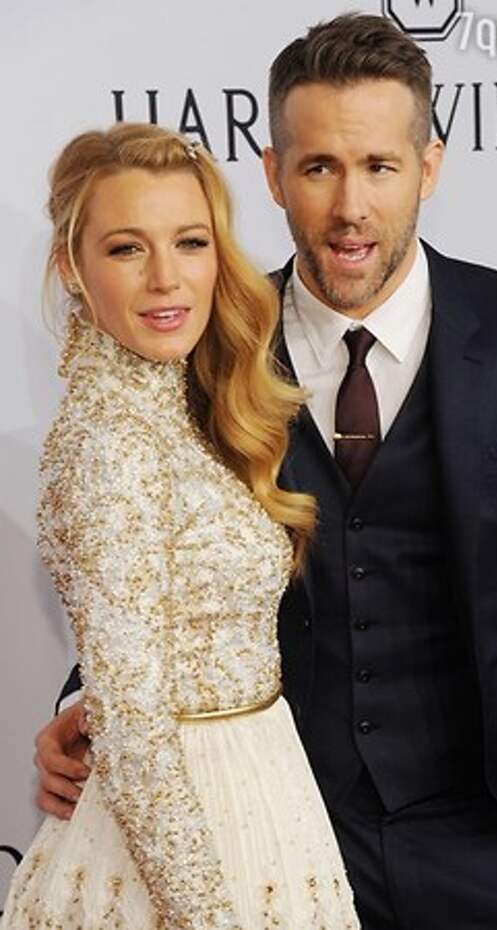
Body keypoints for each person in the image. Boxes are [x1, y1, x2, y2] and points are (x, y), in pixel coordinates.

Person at [33, 13, 497, 930]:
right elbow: (146, 562)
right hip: (282, 837)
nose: (351, 208)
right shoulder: (200, 345)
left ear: (428, 167)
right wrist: (88, 706)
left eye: (380, 166)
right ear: (273, 174)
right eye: (318, 168)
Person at [2, 122, 359, 930]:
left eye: (191, 242)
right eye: (127, 248)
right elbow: (133, 731)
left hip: (261, 793)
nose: (167, 278)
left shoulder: (187, 406)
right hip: (181, 840)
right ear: (72, 267)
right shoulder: (109, 444)